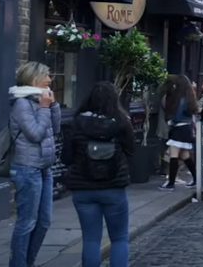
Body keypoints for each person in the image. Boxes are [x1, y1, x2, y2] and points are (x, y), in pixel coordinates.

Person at [63, 82, 134, 267]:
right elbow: (132, 150)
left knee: (91, 240)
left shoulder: (75, 123)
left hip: (83, 189)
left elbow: (66, 158)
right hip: (114, 187)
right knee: (119, 238)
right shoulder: (121, 122)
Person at [8, 62, 61, 267]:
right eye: (46, 75)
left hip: (44, 167)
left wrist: (53, 105)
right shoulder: (22, 103)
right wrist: (45, 108)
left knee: (44, 221)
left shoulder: (41, 100)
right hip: (27, 167)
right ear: (33, 78)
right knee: (27, 222)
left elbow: (54, 130)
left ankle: (28, 262)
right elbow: (36, 134)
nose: (49, 79)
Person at [160, 75, 199, 190]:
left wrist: (171, 121)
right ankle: (197, 179)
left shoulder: (181, 99)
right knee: (185, 156)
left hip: (179, 129)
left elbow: (176, 117)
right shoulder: (190, 98)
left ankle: (171, 183)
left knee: (174, 155)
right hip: (186, 129)